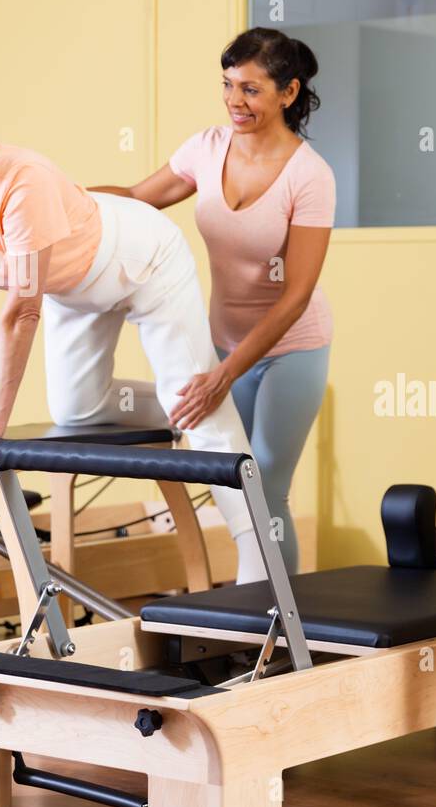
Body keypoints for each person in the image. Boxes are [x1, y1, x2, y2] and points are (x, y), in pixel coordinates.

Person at [0, 61, 267, 584]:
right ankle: (198, 395)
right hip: (71, 284)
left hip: (141, 259)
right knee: (78, 408)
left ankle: (258, 562)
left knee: (195, 405)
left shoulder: (20, 180)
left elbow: (22, 310)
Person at [91, 28, 334, 574]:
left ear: (288, 94)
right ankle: (248, 625)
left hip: (290, 351)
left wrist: (222, 377)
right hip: (224, 343)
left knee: (265, 485)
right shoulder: (206, 148)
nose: (233, 101)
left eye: (250, 89)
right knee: (230, 485)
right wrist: (67, 197)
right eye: (227, 85)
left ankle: (285, 639)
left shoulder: (310, 177)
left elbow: (295, 297)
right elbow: (134, 199)